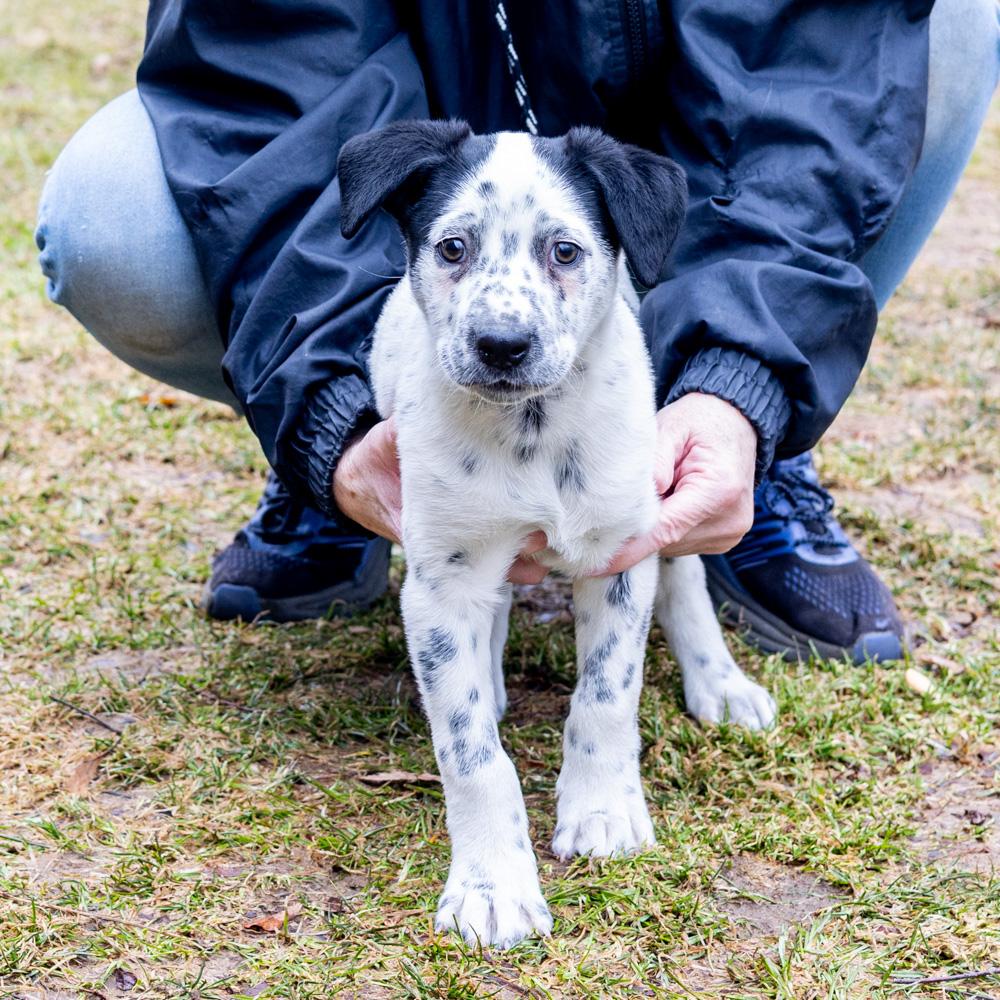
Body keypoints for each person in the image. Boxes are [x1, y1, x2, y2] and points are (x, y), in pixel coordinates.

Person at [36, 0, 999, 663]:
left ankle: (739, 442)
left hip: (685, 158)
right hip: (409, 134)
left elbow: (817, 68)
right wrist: (330, 403)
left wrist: (742, 372)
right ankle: (355, 458)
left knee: (948, 23)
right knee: (109, 221)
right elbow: (266, 68)